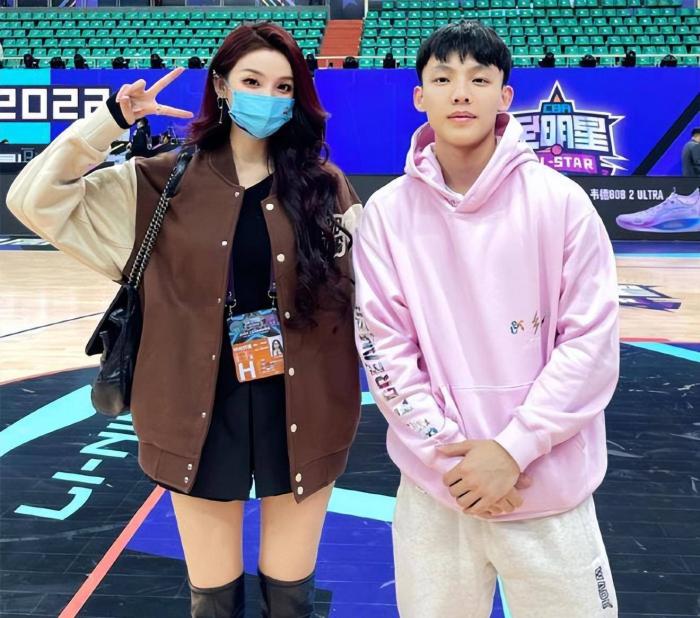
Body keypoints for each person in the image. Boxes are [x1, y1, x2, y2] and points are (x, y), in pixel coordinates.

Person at [7, 22, 363, 618]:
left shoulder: (323, 187)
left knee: (291, 597)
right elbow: (32, 199)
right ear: (221, 85)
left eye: (283, 87)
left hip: (304, 405)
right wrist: (109, 122)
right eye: (252, 81)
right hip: (197, 408)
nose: (268, 98)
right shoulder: (159, 181)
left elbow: (368, 292)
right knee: (213, 598)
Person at [353, 20, 619, 617]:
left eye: (479, 79)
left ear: (505, 96)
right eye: (443, 78)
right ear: (419, 96)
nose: (460, 93)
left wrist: (512, 450)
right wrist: (453, 458)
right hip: (437, 492)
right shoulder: (388, 215)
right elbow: (384, 350)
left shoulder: (562, 203)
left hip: (547, 490)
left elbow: (591, 347)